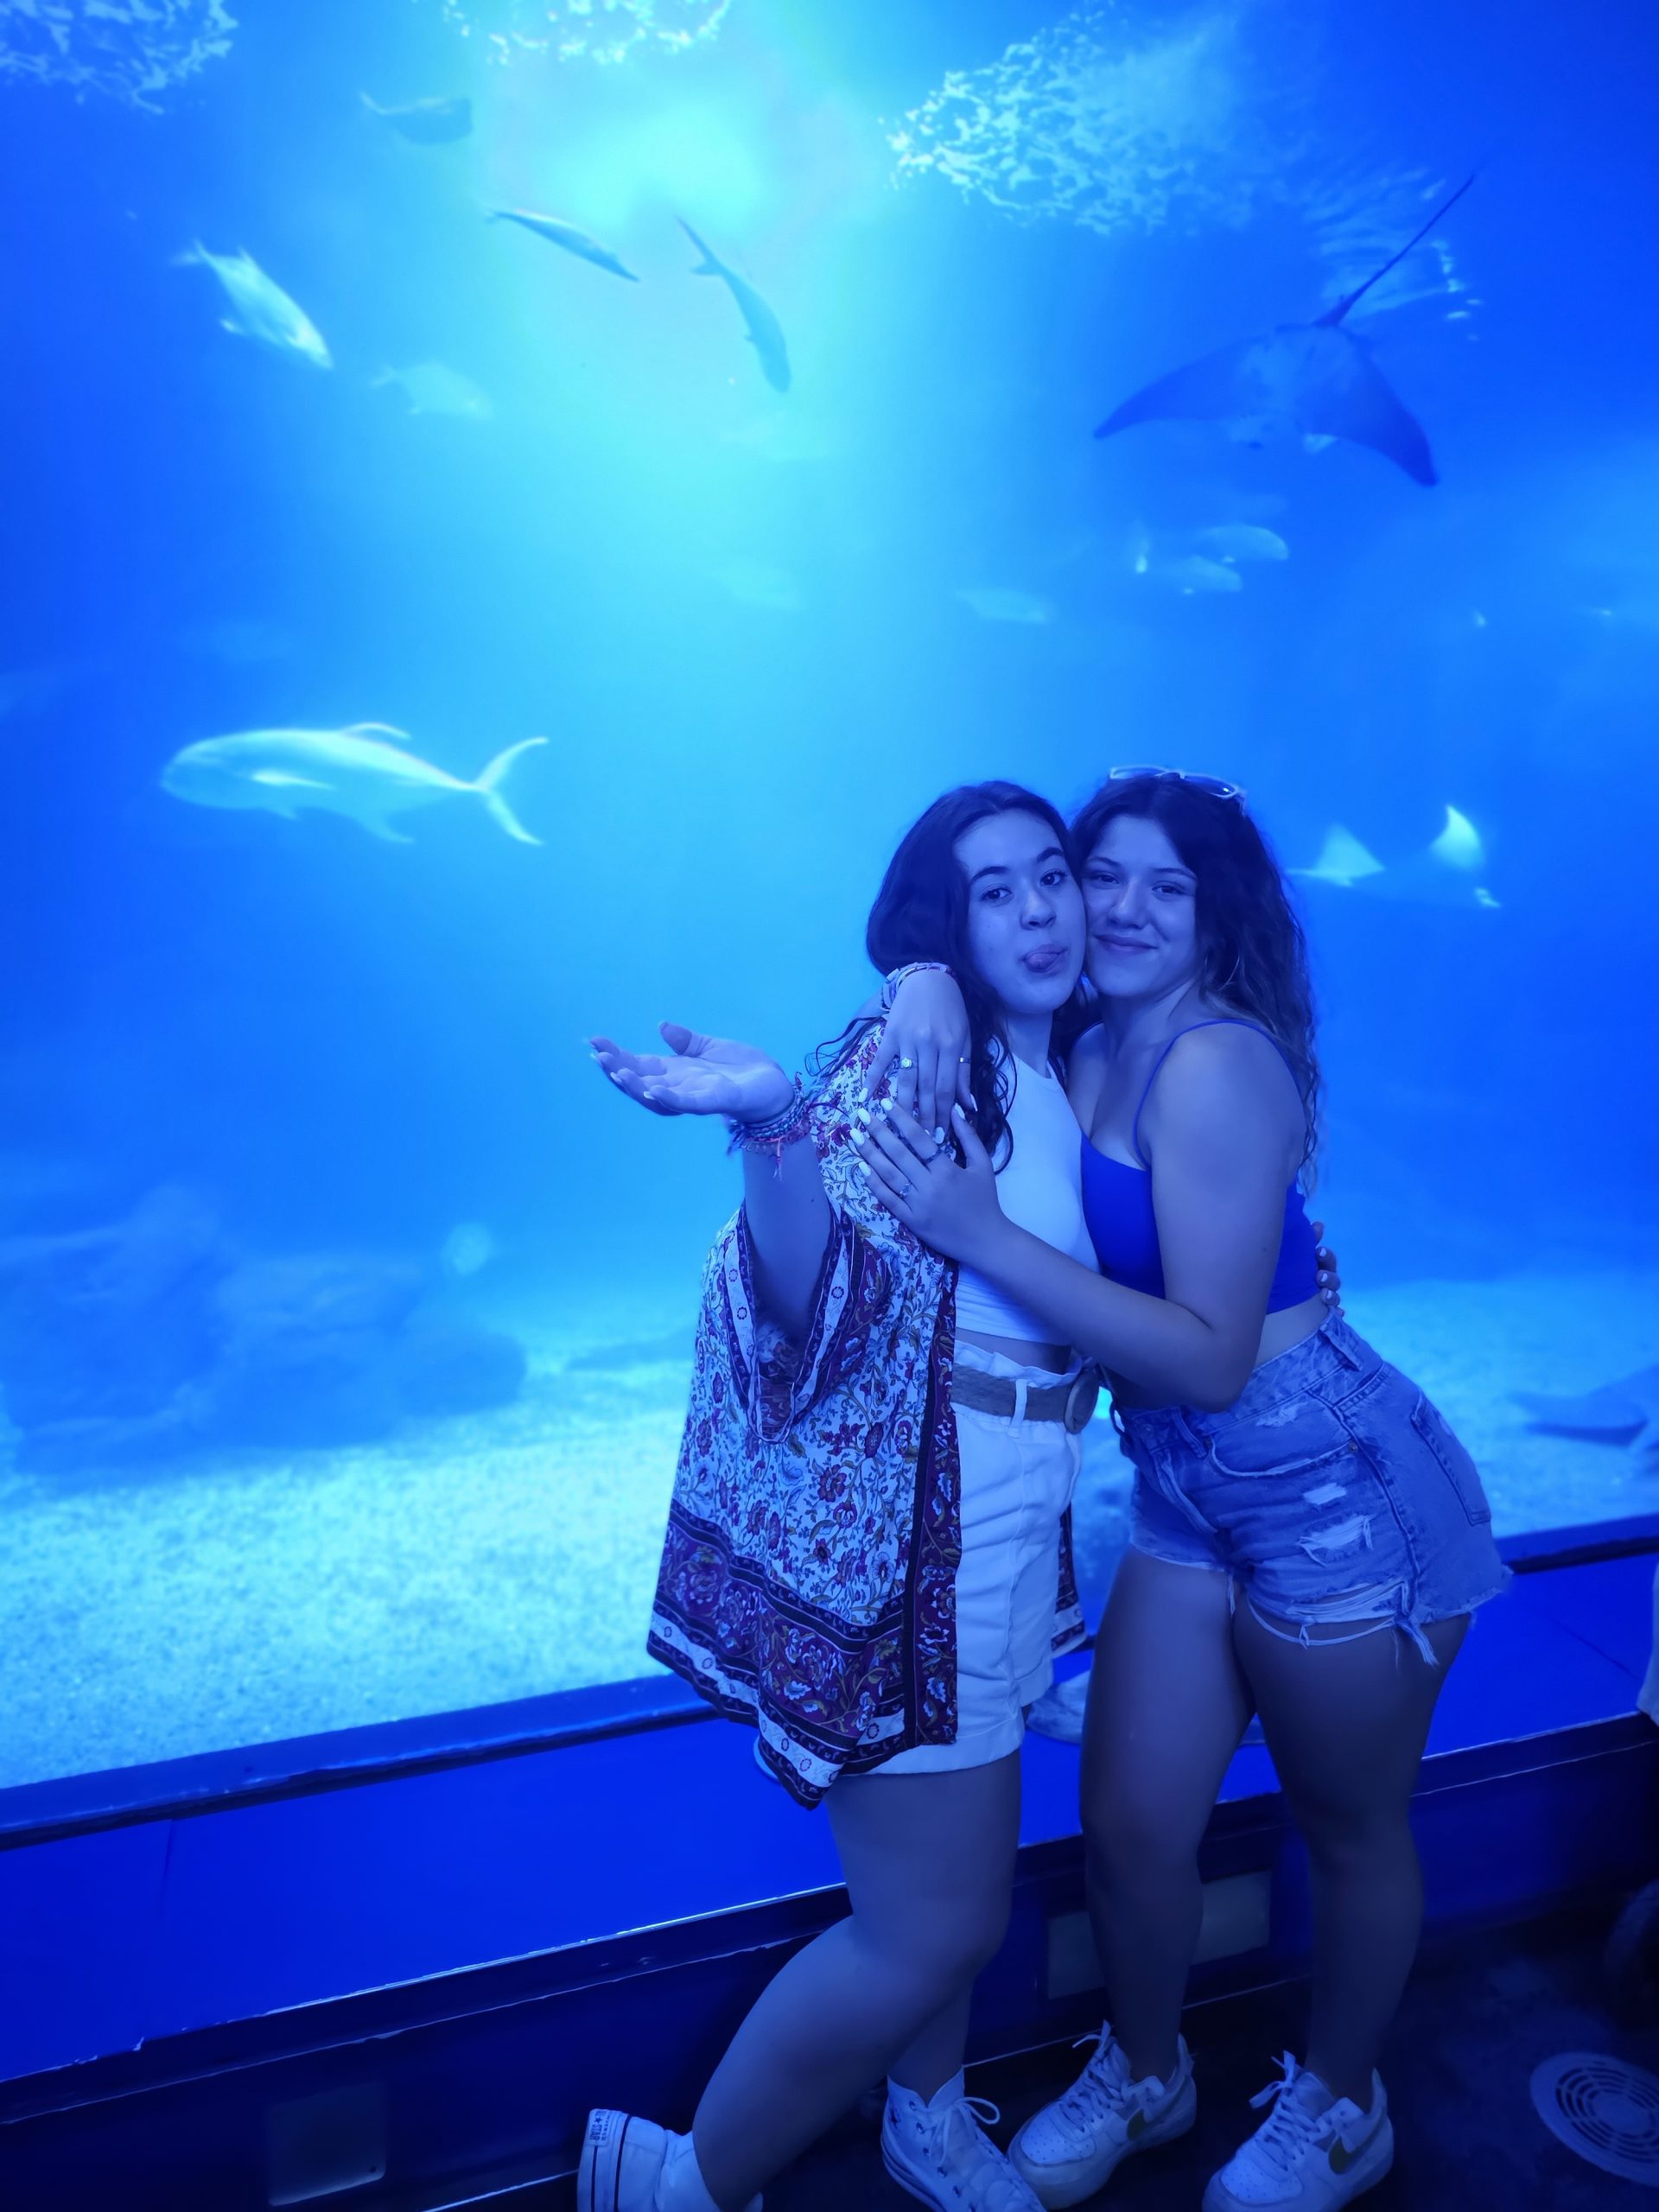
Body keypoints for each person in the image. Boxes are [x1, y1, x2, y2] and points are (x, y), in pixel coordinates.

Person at [862, 767, 1507, 2212]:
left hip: (1333, 1489)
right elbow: (960, 976)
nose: (1125, 909)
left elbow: (1212, 1361)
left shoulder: (1216, 1061)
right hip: (1180, 1494)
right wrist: (922, 976)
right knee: (1135, 1823)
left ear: (1221, 913)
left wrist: (982, 1234)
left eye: (1170, 885)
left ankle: (1344, 2104)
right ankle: (1149, 2072)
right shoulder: (1084, 1046)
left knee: (1350, 1828)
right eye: (1102, 876)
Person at [578, 784, 1111, 2212]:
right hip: (921, 1544)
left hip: (1016, 1516)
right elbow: (817, 1292)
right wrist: (776, 1126)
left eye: (1050, 876)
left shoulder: (1056, 1061)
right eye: (990, 893)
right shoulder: (922, 1053)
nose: (1038, 914)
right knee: (932, 1928)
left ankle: (924, 2121)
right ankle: (683, 2184)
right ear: (944, 921)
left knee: (950, 1895)